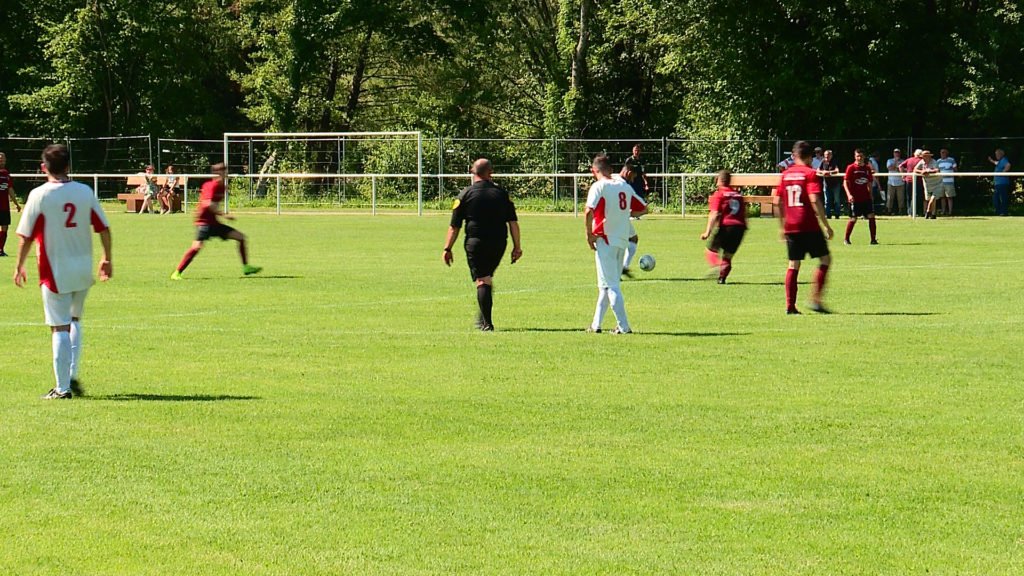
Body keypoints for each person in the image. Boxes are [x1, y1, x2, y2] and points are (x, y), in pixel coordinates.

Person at [12, 144, 112, 399]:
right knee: (75, 320)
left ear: (44, 166)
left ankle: (62, 388)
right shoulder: (84, 191)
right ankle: (71, 374)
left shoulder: (40, 195)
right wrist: (106, 259)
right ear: (68, 166)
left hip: (54, 270)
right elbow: (103, 228)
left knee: (58, 327)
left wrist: (19, 265)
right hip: (82, 267)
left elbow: (24, 236)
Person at [442, 158, 522, 331]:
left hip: (475, 243)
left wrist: (447, 248)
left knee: (482, 280)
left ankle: (487, 323)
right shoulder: (502, 194)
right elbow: (513, 223)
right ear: (490, 173)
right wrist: (517, 247)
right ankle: (483, 317)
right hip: (499, 243)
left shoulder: (464, 195)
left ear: (473, 173)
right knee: (486, 279)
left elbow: (454, 226)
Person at [585, 154, 646, 333]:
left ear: (594, 171)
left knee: (611, 286)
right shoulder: (623, 186)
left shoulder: (599, 186)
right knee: (605, 284)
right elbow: (643, 208)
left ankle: (623, 326)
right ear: (610, 169)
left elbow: (588, 211)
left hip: (605, 239)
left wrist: (589, 235)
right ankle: (596, 325)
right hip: (621, 240)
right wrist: (623, 216)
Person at [171, 163, 262, 279]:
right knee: (196, 247)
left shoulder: (222, 187)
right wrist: (225, 215)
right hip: (203, 222)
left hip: (214, 223)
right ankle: (177, 272)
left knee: (241, 237)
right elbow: (208, 204)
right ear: (218, 173)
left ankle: (246, 267)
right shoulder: (210, 186)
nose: (226, 174)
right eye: (224, 172)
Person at [773, 141, 834, 315]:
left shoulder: (785, 175)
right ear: (809, 157)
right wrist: (826, 225)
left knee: (793, 264)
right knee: (825, 260)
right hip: (808, 224)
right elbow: (814, 199)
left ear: (794, 155)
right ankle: (815, 300)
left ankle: (790, 306)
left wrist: (781, 226)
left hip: (790, 226)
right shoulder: (810, 173)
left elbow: (777, 202)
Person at [700, 170, 747, 284]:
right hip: (740, 228)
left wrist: (707, 232)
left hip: (727, 226)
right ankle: (722, 279)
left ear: (719, 180)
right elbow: (744, 213)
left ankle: (717, 266)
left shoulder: (719, 194)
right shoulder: (738, 195)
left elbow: (714, 213)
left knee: (710, 251)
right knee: (728, 255)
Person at [843, 149, 878, 244]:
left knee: (871, 216)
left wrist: (871, 195)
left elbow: (869, 183)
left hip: (866, 198)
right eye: (858, 156)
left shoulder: (867, 168)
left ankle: (873, 239)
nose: (859, 158)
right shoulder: (851, 168)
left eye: (861, 156)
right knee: (853, 218)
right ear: (855, 156)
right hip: (855, 198)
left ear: (864, 157)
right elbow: (845, 182)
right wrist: (849, 195)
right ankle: (846, 239)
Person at [619, 159, 642, 277]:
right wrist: (632, 213)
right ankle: (622, 267)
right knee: (623, 242)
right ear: (628, 173)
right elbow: (643, 209)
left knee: (632, 239)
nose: (632, 180)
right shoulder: (626, 187)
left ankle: (622, 268)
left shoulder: (609, 180)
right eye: (632, 177)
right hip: (620, 219)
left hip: (607, 218)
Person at [0, 151, 22, 256]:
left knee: (5, 227)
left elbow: (10, 189)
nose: (1, 159)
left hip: (4, 206)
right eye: (0, 158)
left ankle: (0, 249)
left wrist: (16, 204)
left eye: (3, 158)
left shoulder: (5, 173)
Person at [915, 150, 943, 219]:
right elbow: (915, 169)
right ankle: (933, 214)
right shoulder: (921, 162)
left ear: (929, 156)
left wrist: (928, 171)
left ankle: (928, 211)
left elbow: (937, 170)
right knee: (930, 199)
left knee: (933, 198)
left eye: (925, 156)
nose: (924, 158)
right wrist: (922, 171)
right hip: (927, 183)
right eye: (923, 156)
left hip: (937, 183)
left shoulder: (934, 162)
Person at [818, 149, 843, 219]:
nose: (826, 157)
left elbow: (837, 170)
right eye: (825, 155)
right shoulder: (823, 161)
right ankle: (828, 216)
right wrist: (823, 172)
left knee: (836, 201)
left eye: (828, 155)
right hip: (826, 184)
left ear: (831, 155)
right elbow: (818, 170)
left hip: (835, 185)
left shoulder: (835, 162)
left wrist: (829, 172)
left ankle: (837, 215)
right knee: (827, 201)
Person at [899, 149, 924, 216]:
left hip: (908, 180)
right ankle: (918, 212)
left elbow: (900, 166)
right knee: (919, 196)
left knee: (909, 197)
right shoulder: (921, 161)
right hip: (918, 181)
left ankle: (909, 212)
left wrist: (903, 175)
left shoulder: (909, 159)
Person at [988, 148, 1012, 216]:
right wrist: (991, 161)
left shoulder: (1004, 160)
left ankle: (1003, 212)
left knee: (1002, 198)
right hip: (998, 183)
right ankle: (999, 212)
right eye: (996, 154)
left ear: (1001, 154)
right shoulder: (1000, 161)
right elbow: (997, 163)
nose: (996, 155)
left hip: (1002, 183)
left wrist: (1002, 172)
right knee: (996, 198)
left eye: (997, 154)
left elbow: (1008, 165)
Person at [935, 148, 957, 216]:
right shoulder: (938, 161)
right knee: (942, 197)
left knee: (949, 197)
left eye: (944, 152)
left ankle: (950, 212)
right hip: (941, 182)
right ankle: (943, 211)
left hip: (949, 181)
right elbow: (937, 170)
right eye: (941, 152)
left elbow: (955, 169)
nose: (942, 154)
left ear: (947, 153)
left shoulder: (951, 160)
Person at [886, 148, 906, 216]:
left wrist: (898, 168)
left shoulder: (903, 161)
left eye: (898, 152)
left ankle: (901, 210)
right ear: (893, 153)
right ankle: (889, 210)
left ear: (900, 153)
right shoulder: (889, 160)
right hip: (891, 182)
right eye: (895, 152)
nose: (896, 154)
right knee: (890, 197)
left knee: (901, 198)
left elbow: (904, 170)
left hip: (900, 182)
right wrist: (896, 163)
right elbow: (890, 168)